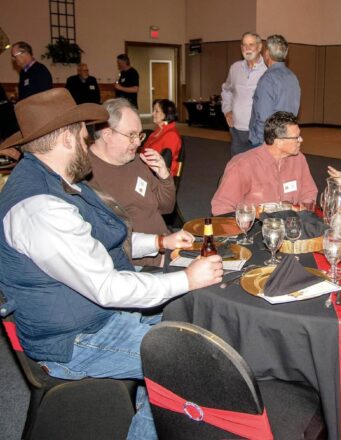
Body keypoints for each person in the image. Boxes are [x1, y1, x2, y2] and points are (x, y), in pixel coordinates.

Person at [0, 88, 223, 439]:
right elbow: (107, 287)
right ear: (64, 138)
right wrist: (187, 280)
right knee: (185, 365)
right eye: (82, 131)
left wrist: (159, 242)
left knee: (188, 321)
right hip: (74, 340)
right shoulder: (41, 208)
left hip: (89, 315)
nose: (88, 137)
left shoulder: (60, 182)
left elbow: (101, 244)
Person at [89, 98, 176, 267]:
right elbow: (108, 243)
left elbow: (166, 208)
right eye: (131, 135)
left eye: (139, 135)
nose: (138, 142)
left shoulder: (135, 161)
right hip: (137, 266)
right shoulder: (86, 175)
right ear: (107, 134)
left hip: (167, 246)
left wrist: (164, 177)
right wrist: (161, 246)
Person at [211, 111, 317, 215]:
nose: (301, 140)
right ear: (279, 142)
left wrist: (305, 215)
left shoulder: (298, 159)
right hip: (256, 227)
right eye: (296, 137)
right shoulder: (243, 165)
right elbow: (221, 208)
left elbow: (309, 192)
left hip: (291, 224)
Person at [248, 34, 300, 148]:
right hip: (286, 138)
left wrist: (257, 140)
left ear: (267, 54)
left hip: (267, 141)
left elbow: (263, 116)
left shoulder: (267, 79)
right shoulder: (292, 77)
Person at [221, 32, 268, 156]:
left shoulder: (268, 71)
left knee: (257, 172)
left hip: (259, 133)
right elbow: (226, 90)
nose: (247, 48)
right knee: (237, 170)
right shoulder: (235, 68)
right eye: (244, 45)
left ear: (259, 47)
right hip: (237, 131)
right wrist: (227, 110)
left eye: (251, 45)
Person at [142, 99, 182, 177]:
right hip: (148, 169)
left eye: (156, 111)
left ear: (166, 114)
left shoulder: (171, 135)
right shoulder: (158, 130)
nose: (153, 114)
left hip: (158, 176)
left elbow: (165, 163)